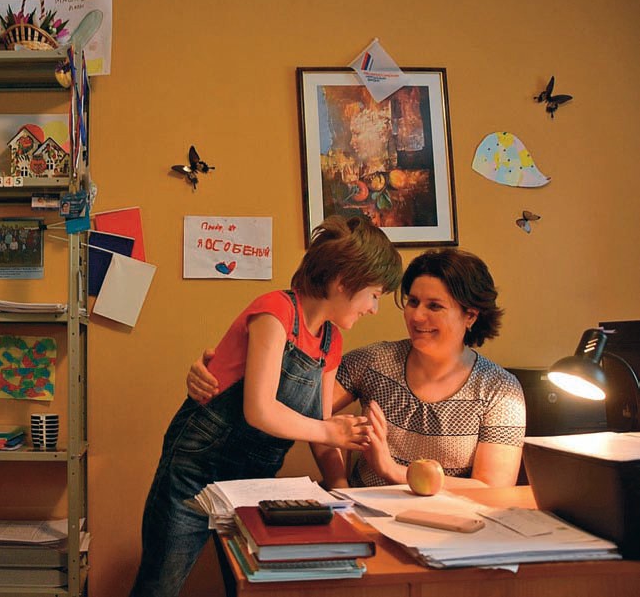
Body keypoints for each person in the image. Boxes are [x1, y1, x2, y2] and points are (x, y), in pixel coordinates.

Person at [129, 215, 403, 597]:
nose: (374, 308)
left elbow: (320, 426)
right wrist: (329, 430)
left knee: (250, 584)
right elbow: (259, 410)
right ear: (344, 282)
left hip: (253, 481)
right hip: (196, 469)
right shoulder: (275, 312)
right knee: (161, 582)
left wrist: (343, 493)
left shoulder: (331, 341)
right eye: (374, 294)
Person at [187, 248, 526, 490]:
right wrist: (222, 378)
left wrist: (392, 470)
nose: (417, 316)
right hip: (367, 520)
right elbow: (303, 411)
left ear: (471, 315)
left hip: (455, 533)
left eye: (434, 306)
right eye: (412, 302)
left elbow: (492, 488)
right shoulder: (373, 362)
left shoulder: (500, 389)